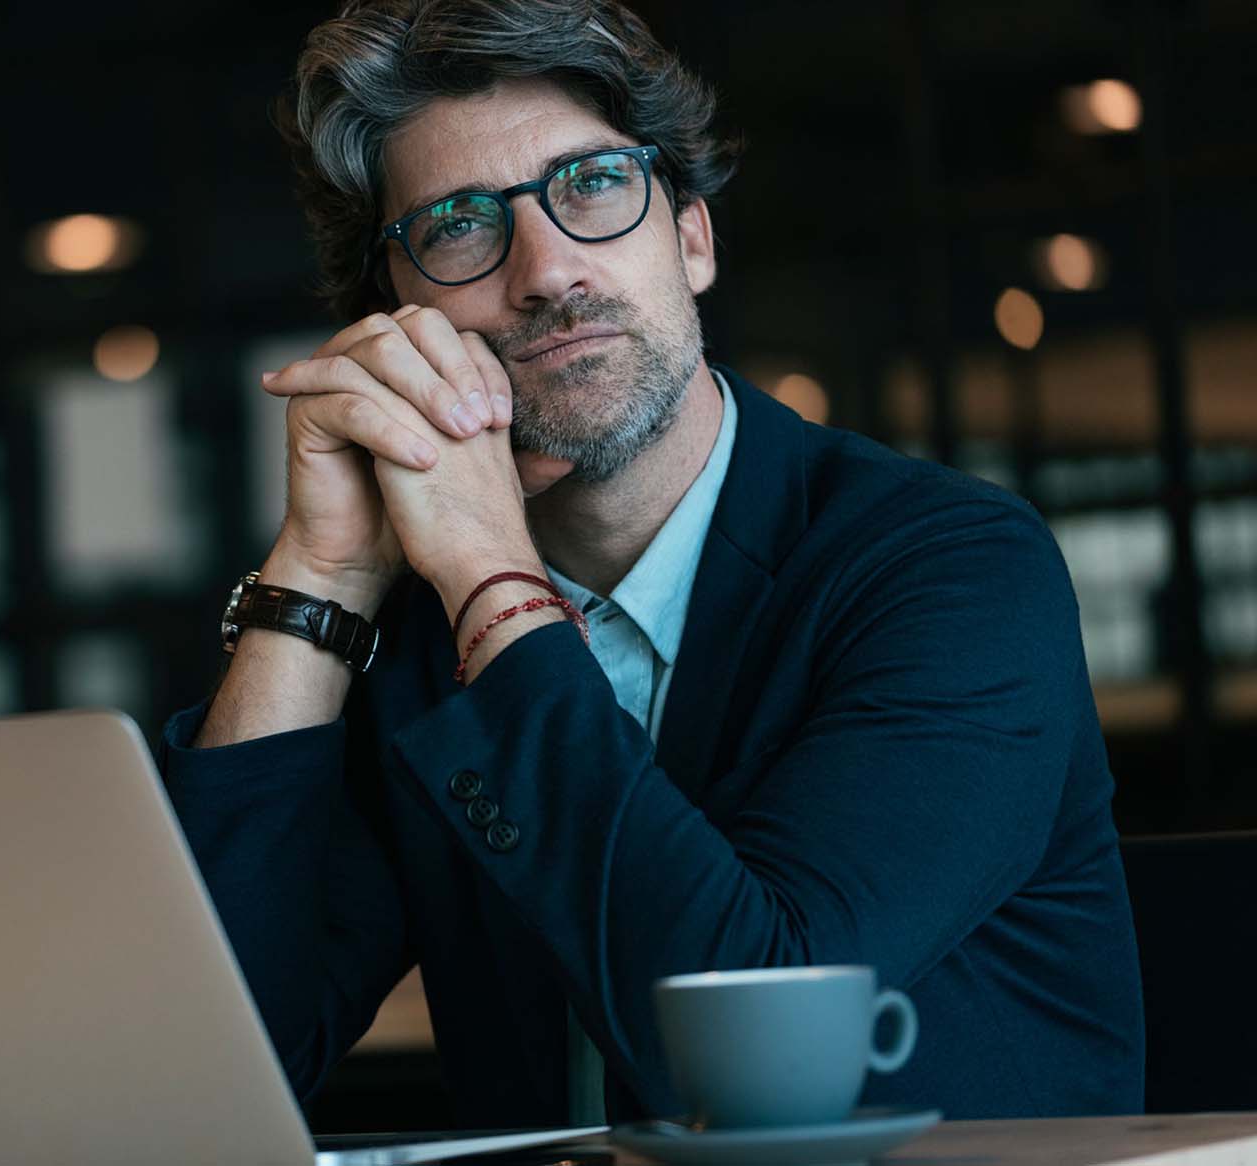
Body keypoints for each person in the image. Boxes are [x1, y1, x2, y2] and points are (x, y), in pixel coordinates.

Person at [159, 0, 1144, 1126]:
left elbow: (747, 1052)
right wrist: (320, 581)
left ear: (690, 238)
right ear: (399, 318)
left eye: (589, 185)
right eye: (460, 224)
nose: (544, 271)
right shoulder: (420, 635)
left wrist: (490, 572)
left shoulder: (948, 568)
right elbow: (203, 1069)